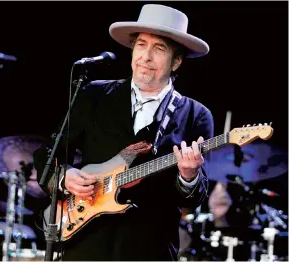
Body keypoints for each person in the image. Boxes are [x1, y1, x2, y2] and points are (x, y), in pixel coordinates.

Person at [33, 3, 214, 261]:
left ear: (176, 61)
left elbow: (194, 197)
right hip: (86, 244)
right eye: (141, 45)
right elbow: (47, 154)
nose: (145, 57)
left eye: (159, 48)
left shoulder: (196, 115)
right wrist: (65, 176)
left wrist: (189, 174)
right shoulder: (94, 94)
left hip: (150, 248)